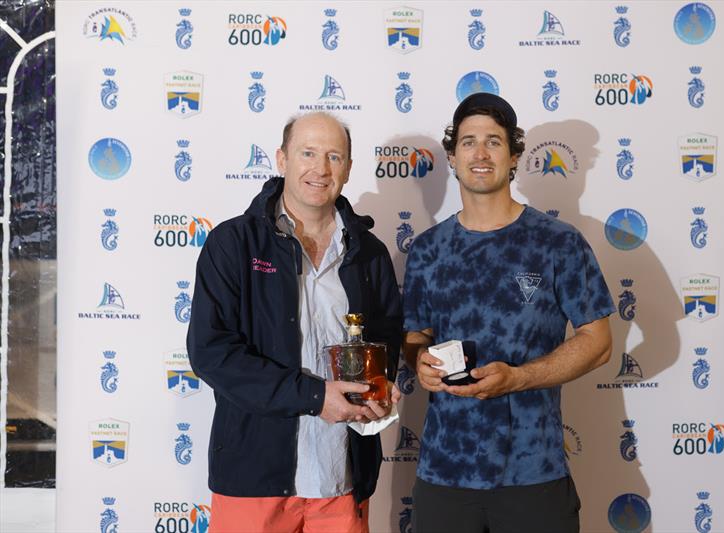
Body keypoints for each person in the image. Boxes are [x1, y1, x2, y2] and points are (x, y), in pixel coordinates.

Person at [403, 93, 615, 533]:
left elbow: (598, 344)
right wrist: (418, 363)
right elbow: (415, 337)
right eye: (468, 142)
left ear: (515, 156)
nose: (480, 154)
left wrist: (518, 378)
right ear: (452, 156)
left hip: (532, 473)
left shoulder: (558, 242)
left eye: (494, 142)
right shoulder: (426, 250)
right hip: (445, 474)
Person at [188, 112, 402, 533]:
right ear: (282, 160)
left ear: (348, 169)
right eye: (308, 153)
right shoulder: (233, 243)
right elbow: (211, 353)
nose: (320, 169)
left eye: (334, 156)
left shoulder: (369, 253)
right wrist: (315, 396)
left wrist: (378, 388)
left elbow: (386, 339)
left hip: (341, 479)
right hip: (253, 482)